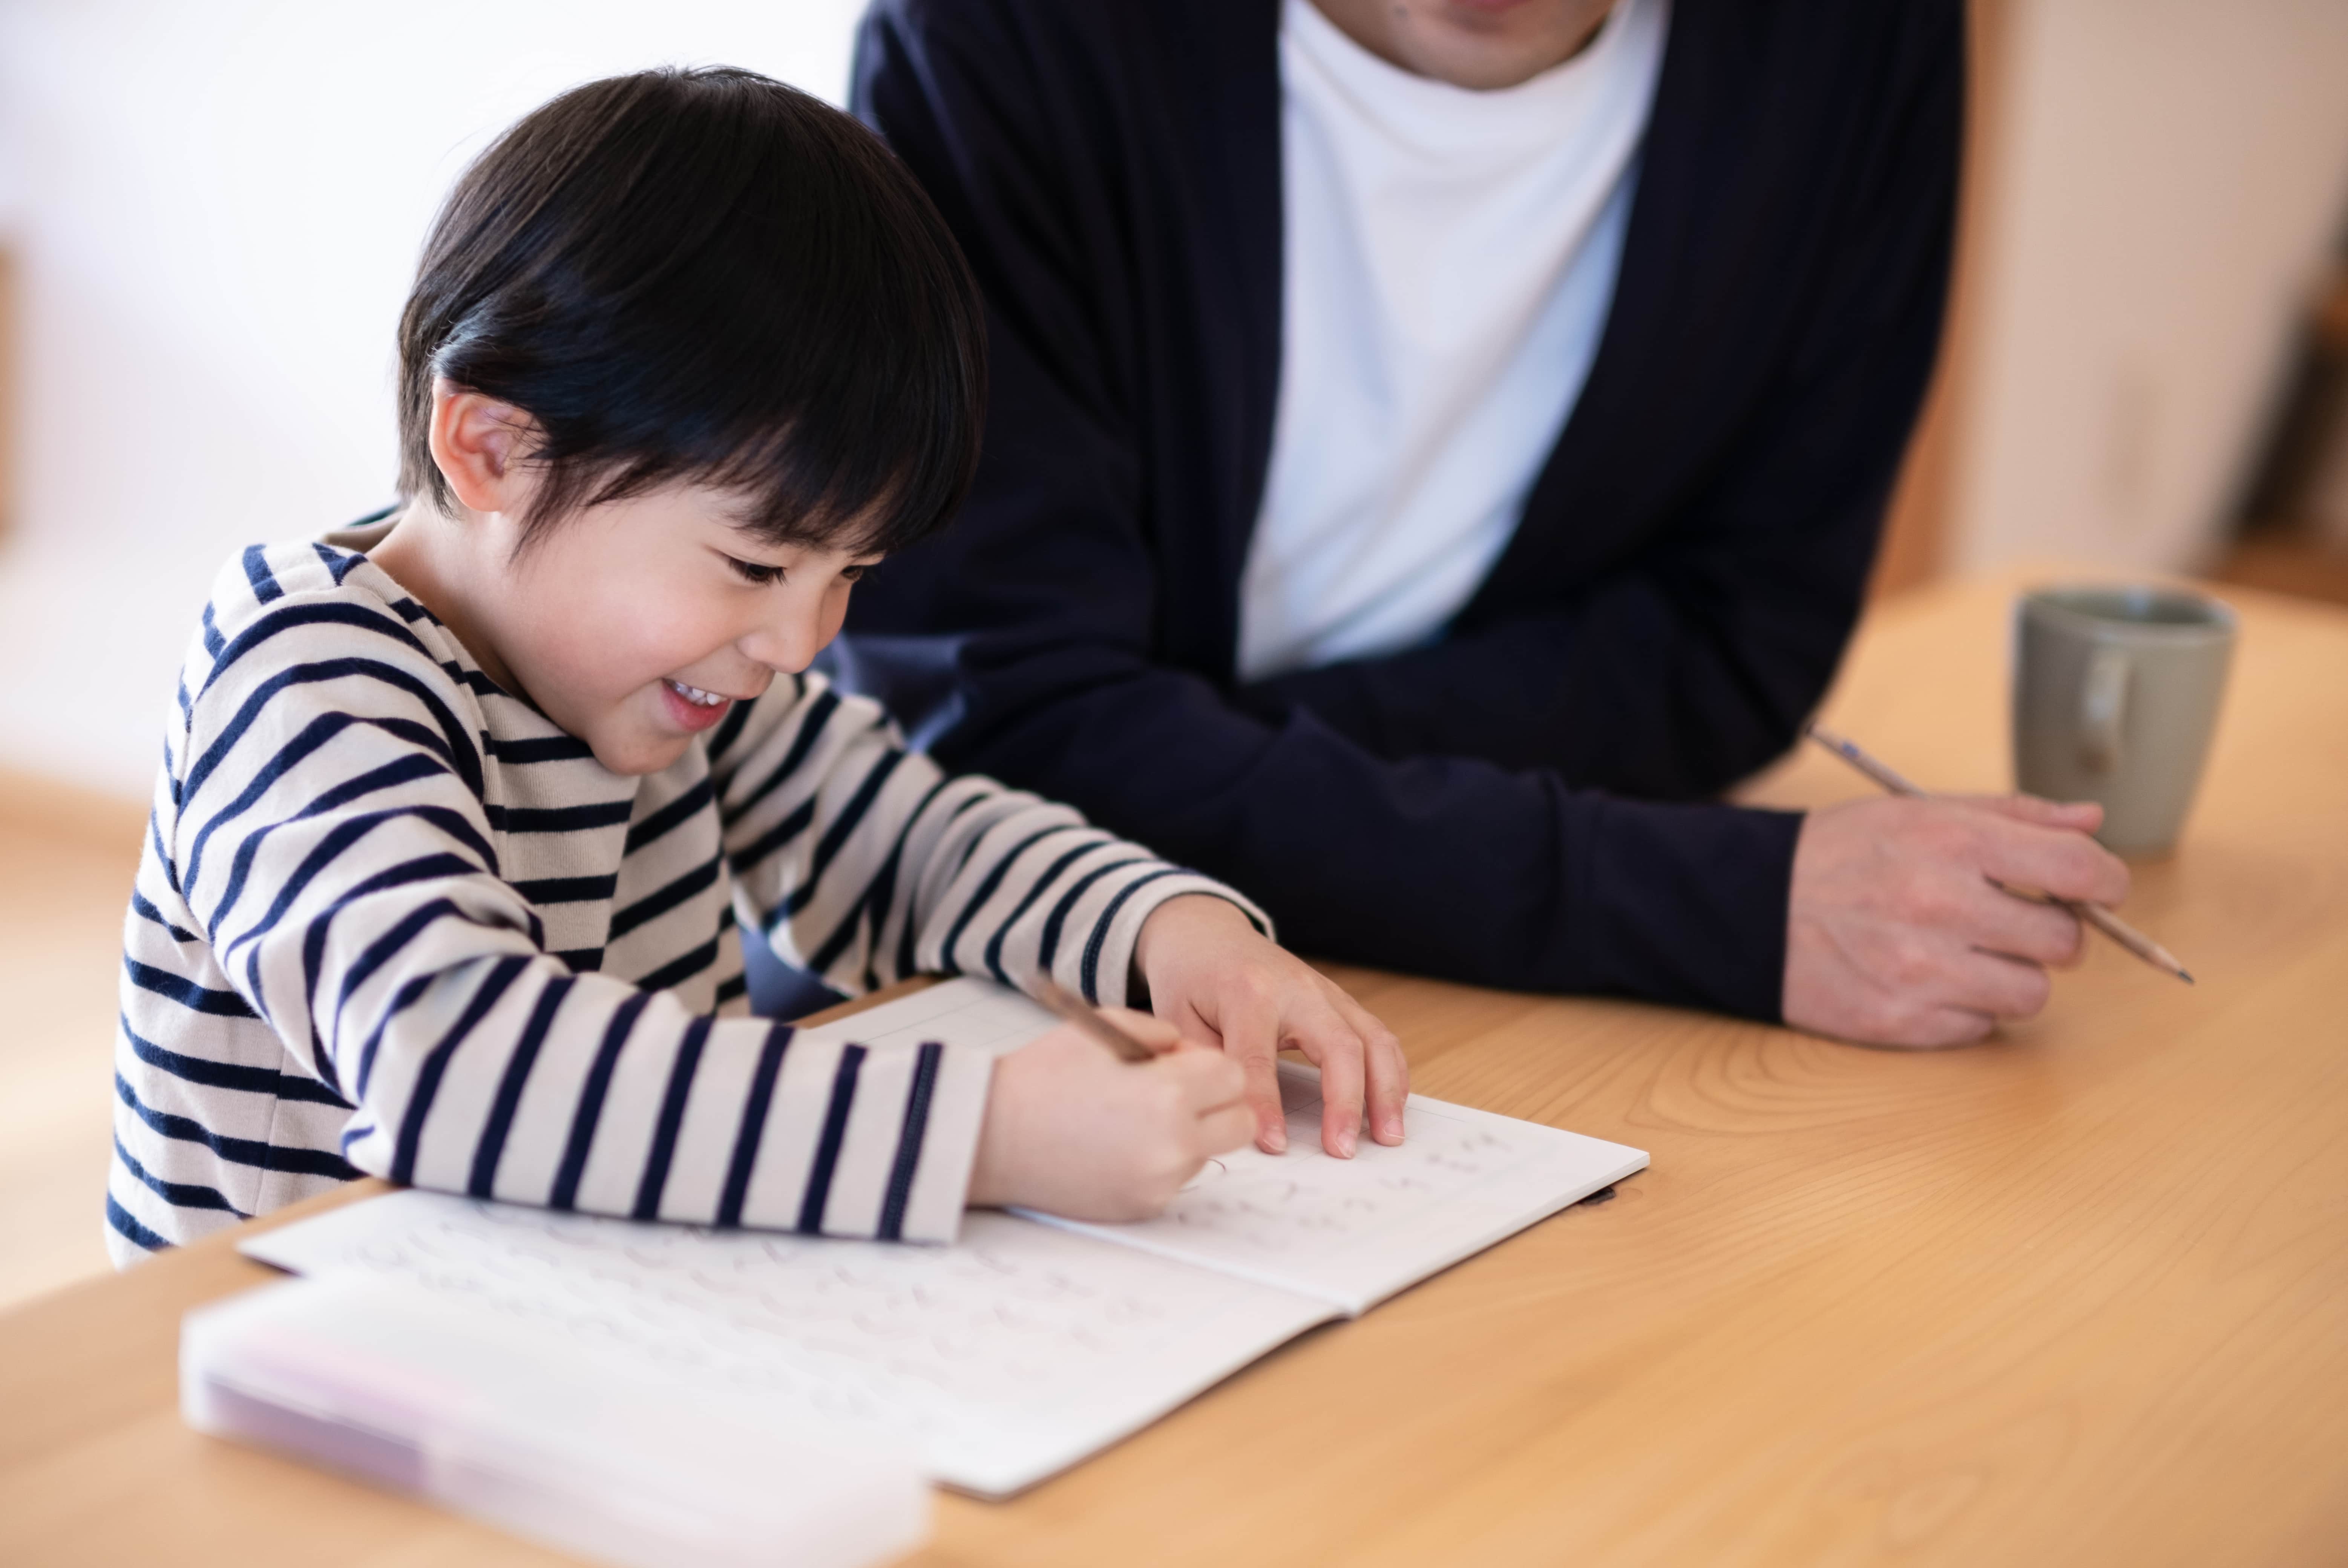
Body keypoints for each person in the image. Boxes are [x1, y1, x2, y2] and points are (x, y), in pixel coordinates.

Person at [106, 67, 1410, 1266]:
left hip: (584, 1332)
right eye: (754, 566)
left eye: (852, 572)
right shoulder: (302, 681)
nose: (802, 643)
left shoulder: (685, 689)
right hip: (289, 1410)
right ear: (493, 451)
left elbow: (912, 846)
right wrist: (984, 1133)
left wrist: (1169, 930)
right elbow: (456, 1066)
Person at [837, 0, 2133, 1050]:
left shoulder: (1852, 46)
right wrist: (1700, 902)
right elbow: (1000, 734)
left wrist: (1201, 764)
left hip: (1431, 1004)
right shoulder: (1000, 41)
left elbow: (1742, 641)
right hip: (1012, 994)